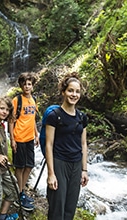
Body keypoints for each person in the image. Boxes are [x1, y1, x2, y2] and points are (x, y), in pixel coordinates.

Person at [45, 72, 89, 220]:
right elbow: (49, 145)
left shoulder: (82, 118)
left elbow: (83, 144)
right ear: (63, 92)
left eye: (77, 91)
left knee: (70, 208)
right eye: (70, 90)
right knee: (57, 207)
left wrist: (84, 170)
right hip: (59, 163)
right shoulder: (54, 116)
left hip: (76, 165)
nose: (74, 94)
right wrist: (51, 174)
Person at [9, 72, 39, 211]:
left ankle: (21, 191)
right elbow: (11, 121)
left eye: (29, 84)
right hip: (19, 138)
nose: (27, 86)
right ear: (21, 86)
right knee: (20, 167)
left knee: (29, 166)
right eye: (24, 84)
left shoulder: (33, 100)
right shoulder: (17, 100)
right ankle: (19, 194)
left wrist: (37, 134)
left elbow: (32, 119)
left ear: (32, 86)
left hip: (30, 138)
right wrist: (12, 139)